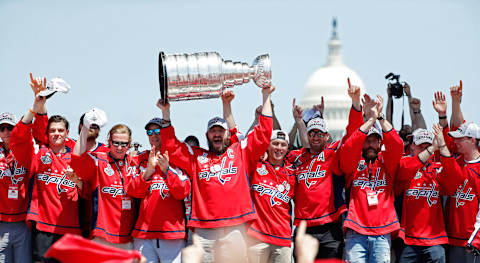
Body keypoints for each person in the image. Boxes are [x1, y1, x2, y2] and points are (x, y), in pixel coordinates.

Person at [157, 84, 275, 263]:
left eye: (220, 131)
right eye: (213, 131)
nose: (217, 134)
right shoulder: (196, 157)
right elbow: (172, 147)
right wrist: (166, 113)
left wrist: (266, 96)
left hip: (235, 228)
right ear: (207, 135)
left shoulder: (240, 151)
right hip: (204, 230)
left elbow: (264, 134)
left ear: (227, 135)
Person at [288, 78, 363, 259]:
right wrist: (297, 121)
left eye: (319, 134)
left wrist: (355, 104)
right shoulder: (296, 158)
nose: (315, 137)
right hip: (304, 227)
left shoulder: (332, 154)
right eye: (312, 133)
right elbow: (280, 147)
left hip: (330, 226)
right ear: (307, 134)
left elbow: (353, 134)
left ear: (327, 136)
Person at [10, 73, 81, 262]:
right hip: (43, 227)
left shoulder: (77, 156)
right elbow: (19, 138)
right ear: (47, 134)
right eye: (52, 130)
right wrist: (37, 105)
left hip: (71, 226)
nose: (56, 133)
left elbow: (90, 187)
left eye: (60, 130)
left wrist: (77, 181)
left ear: (67, 133)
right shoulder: (40, 155)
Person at [339, 94, 404, 262]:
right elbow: (349, 145)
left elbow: (397, 144)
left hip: (383, 232)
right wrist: (370, 120)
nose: (370, 145)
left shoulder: (386, 163)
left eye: (375, 141)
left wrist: (380, 118)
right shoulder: (353, 163)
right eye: (367, 141)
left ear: (380, 143)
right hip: (356, 231)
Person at [125, 118, 191, 263]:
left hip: (172, 234)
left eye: (157, 131)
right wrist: (148, 170)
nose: (154, 135)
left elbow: (182, 192)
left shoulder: (178, 158)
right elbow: (132, 190)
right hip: (144, 234)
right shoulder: (140, 159)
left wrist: (167, 170)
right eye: (150, 132)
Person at [394, 125, 459, 263]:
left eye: (428, 146)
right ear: (412, 146)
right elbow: (404, 171)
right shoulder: (404, 163)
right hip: (408, 239)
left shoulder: (437, 168)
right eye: (420, 146)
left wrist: (442, 146)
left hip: (435, 239)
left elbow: (454, 182)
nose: (425, 150)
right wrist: (432, 148)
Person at [71, 123, 139, 250]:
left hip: (128, 237)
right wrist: (85, 127)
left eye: (124, 144)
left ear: (129, 144)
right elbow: (76, 156)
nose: (119, 147)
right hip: (102, 235)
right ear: (109, 142)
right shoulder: (99, 161)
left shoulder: (134, 164)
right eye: (116, 143)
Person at [0, 112, 32, 263]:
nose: (6, 132)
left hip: (23, 221)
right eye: (2, 128)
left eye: (10, 127)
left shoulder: (25, 151)